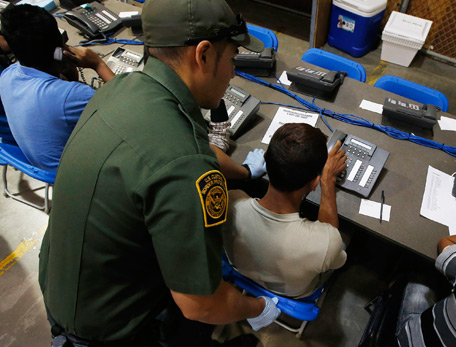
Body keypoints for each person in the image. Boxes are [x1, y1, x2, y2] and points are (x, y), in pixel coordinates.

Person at [39, 0, 280, 345]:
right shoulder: (187, 166)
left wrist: (242, 170)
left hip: (64, 292)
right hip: (113, 330)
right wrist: (258, 307)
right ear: (204, 55)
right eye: (232, 59)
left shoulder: (123, 88)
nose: (233, 73)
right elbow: (202, 305)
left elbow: (175, 146)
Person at [223, 123, 348, 299]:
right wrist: (327, 182)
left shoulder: (231, 202)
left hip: (241, 273)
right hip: (296, 293)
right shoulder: (325, 243)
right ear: (314, 183)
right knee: (343, 243)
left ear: (265, 159)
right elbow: (330, 242)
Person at [0, 3, 115, 171]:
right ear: (60, 45)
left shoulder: (7, 75)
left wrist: (62, 62)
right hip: (79, 175)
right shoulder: (73, 96)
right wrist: (98, 64)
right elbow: (130, 108)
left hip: (41, 166)